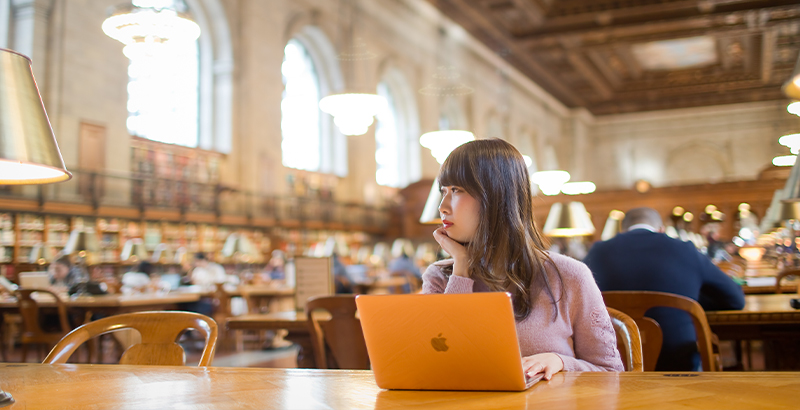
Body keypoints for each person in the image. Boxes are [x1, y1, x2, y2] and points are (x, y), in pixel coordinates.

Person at [422, 138, 623, 381]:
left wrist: (560, 362)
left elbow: (612, 373)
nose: (442, 207)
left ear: (496, 196)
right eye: (443, 192)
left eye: (456, 190)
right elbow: (436, 363)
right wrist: (461, 270)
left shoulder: (568, 275)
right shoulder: (440, 276)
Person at [583, 207, 745, 371]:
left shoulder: (597, 252)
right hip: (679, 366)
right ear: (661, 229)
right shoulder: (685, 249)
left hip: (614, 365)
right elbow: (735, 300)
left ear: (622, 230)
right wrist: (689, 301)